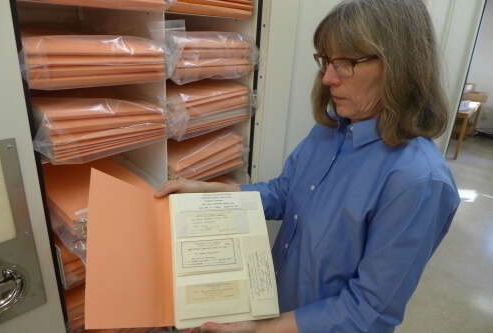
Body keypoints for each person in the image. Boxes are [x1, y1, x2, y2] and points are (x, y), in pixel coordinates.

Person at [155, 0, 461, 332]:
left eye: (345, 63)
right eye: (326, 60)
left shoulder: (419, 181)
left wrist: (262, 329)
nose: (328, 77)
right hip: (275, 310)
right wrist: (213, 193)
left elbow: (368, 310)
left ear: (399, 66)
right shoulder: (334, 127)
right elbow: (284, 193)